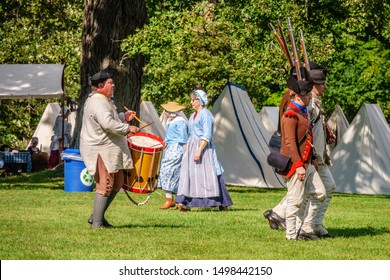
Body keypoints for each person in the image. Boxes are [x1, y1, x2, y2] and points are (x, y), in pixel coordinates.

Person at [263, 63, 335, 239]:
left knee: (318, 191)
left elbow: (313, 125)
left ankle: (296, 220)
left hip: (316, 156)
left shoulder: (313, 103)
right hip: (306, 158)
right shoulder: (300, 105)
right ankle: (301, 229)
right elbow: (293, 135)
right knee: (301, 195)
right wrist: (298, 82)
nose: (325, 86)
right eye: (321, 83)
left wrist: (327, 133)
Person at [80, 67, 139, 228]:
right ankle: (97, 223)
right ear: (100, 86)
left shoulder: (103, 100)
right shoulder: (98, 101)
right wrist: (128, 128)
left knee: (117, 182)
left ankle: (96, 216)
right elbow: (107, 124)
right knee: (105, 184)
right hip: (101, 148)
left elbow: (109, 119)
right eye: (110, 83)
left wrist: (122, 117)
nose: (113, 86)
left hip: (108, 148)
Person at [175, 89, 233, 211]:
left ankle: (223, 202)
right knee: (190, 174)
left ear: (200, 101)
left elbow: (207, 135)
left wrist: (199, 150)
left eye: (193, 100)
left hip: (204, 148)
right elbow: (190, 133)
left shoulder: (206, 115)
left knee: (210, 173)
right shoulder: (192, 115)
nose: (191, 103)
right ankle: (185, 202)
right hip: (192, 146)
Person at [157, 101, 188, 209]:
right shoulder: (170, 121)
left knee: (172, 172)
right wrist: (165, 143)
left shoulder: (180, 121)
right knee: (166, 171)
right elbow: (169, 136)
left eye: (165, 110)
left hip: (177, 149)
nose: (164, 112)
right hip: (170, 148)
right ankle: (170, 199)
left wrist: (186, 152)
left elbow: (183, 138)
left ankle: (180, 201)